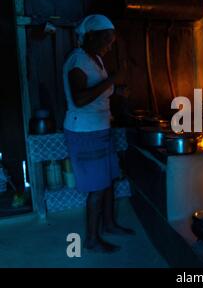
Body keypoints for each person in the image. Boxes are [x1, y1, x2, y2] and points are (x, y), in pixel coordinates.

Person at [63, 14, 134, 253]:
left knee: (108, 181)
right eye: (105, 39)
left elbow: (98, 92)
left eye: (111, 41)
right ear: (90, 36)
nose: (108, 45)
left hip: (101, 129)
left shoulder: (96, 60)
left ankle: (110, 224)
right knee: (96, 187)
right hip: (85, 132)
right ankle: (92, 239)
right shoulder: (77, 60)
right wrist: (114, 79)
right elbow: (80, 98)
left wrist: (117, 90)